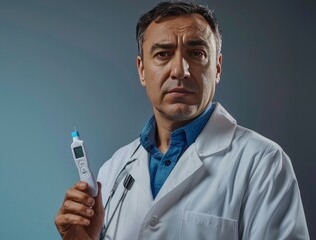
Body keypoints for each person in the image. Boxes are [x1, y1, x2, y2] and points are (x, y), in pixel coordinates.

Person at [54, 1, 309, 239]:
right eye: (163, 54)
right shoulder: (113, 170)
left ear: (217, 68)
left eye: (196, 53)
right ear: (142, 70)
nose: (180, 70)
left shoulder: (263, 163)